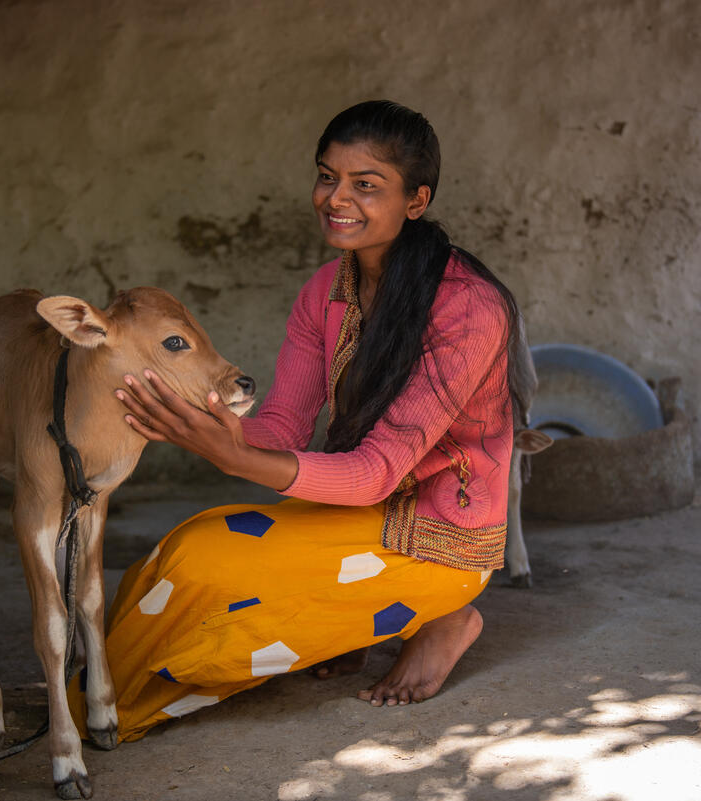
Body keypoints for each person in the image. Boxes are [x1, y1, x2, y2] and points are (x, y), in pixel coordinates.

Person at [68, 100, 525, 744]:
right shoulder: (324, 292)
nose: (336, 198)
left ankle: (444, 612)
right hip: (364, 513)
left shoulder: (467, 308)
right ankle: (100, 697)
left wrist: (233, 457)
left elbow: (373, 472)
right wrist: (194, 416)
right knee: (182, 549)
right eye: (327, 176)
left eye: (366, 185)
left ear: (416, 201)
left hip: (440, 537)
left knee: (217, 589)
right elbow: (281, 425)